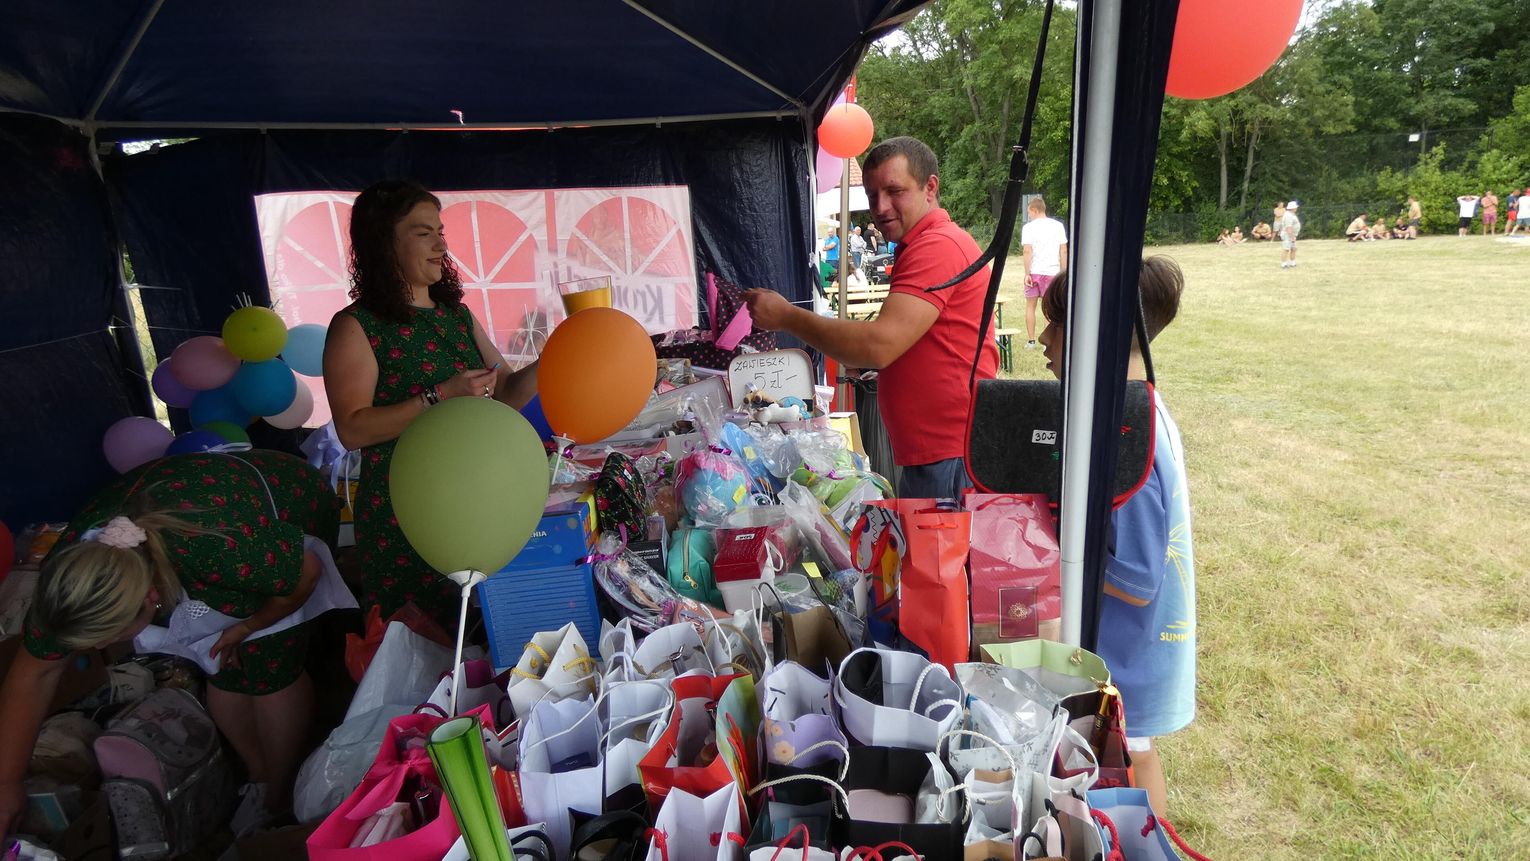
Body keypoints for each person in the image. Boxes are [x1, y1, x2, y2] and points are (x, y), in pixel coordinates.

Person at [0, 450, 342, 835]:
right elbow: (35, 675)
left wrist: (248, 627)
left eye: (110, 637)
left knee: (270, 666)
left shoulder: (217, 551)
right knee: (222, 668)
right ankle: (258, 777)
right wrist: (6, 783)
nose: (97, 650)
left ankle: (280, 794)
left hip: (286, 499)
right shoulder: (67, 583)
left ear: (151, 597)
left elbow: (304, 574)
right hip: (202, 524)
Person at [324, 180, 538, 631]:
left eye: (440, 231)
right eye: (424, 233)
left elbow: (505, 395)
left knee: (482, 636)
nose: (442, 245)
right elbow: (352, 429)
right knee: (420, 641)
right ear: (385, 243)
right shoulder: (357, 325)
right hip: (408, 515)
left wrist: (557, 360)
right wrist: (439, 396)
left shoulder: (456, 315)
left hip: (480, 500)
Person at [743, 136, 999, 499]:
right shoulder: (924, 244)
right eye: (872, 194)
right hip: (940, 453)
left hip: (951, 455)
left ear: (930, 188)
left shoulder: (938, 246)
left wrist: (786, 316)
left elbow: (878, 346)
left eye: (895, 191)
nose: (880, 206)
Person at [1037, 256, 1195, 817]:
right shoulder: (1133, 411)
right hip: (1126, 649)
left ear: (1093, 334)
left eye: (1056, 323)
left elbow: (1137, 580)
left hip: (1131, 654)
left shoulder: (1129, 436)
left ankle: (1146, 843)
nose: (1043, 337)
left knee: (1133, 760)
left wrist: (1050, 557)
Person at [1020, 196, 1068, 349]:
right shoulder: (1058, 226)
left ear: (1034, 210)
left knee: (1030, 306)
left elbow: (1027, 251)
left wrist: (1027, 273)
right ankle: (1048, 342)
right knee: (1049, 308)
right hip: (1052, 272)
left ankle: (1031, 340)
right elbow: (1063, 250)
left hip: (1034, 272)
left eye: (1029, 212)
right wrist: (1063, 272)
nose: (1029, 215)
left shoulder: (1028, 228)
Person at [1279, 200, 1302, 268]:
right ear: (1292, 208)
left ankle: (1293, 263)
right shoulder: (1288, 215)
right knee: (1286, 249)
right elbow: (1288, 227)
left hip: (1291, 234)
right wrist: (1292, 237)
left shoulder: (1291, 214)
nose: (1296, 208)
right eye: (1295, 207)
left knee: (1293, 249)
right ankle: (1283, 264)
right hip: (1287, 234)